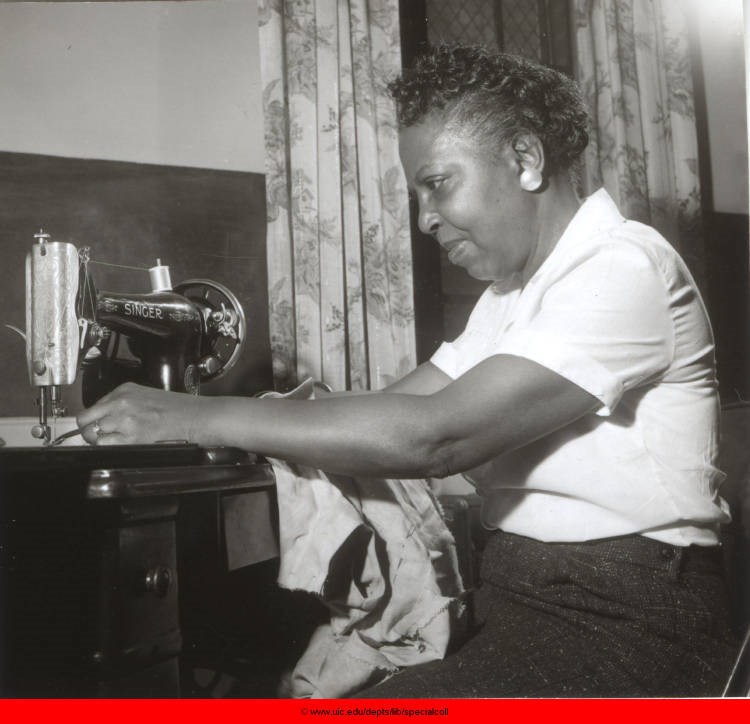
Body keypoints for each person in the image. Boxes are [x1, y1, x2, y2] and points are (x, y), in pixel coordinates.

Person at [77, 44, 738, 697]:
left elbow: (434, 436)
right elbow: (406, 401)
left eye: (438, 184)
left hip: (632, 625)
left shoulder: (623, 267)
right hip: (531, 601)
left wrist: (187, 414)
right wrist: (292, 414)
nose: (424, 219)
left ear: (526, 159)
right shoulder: (513, 295)